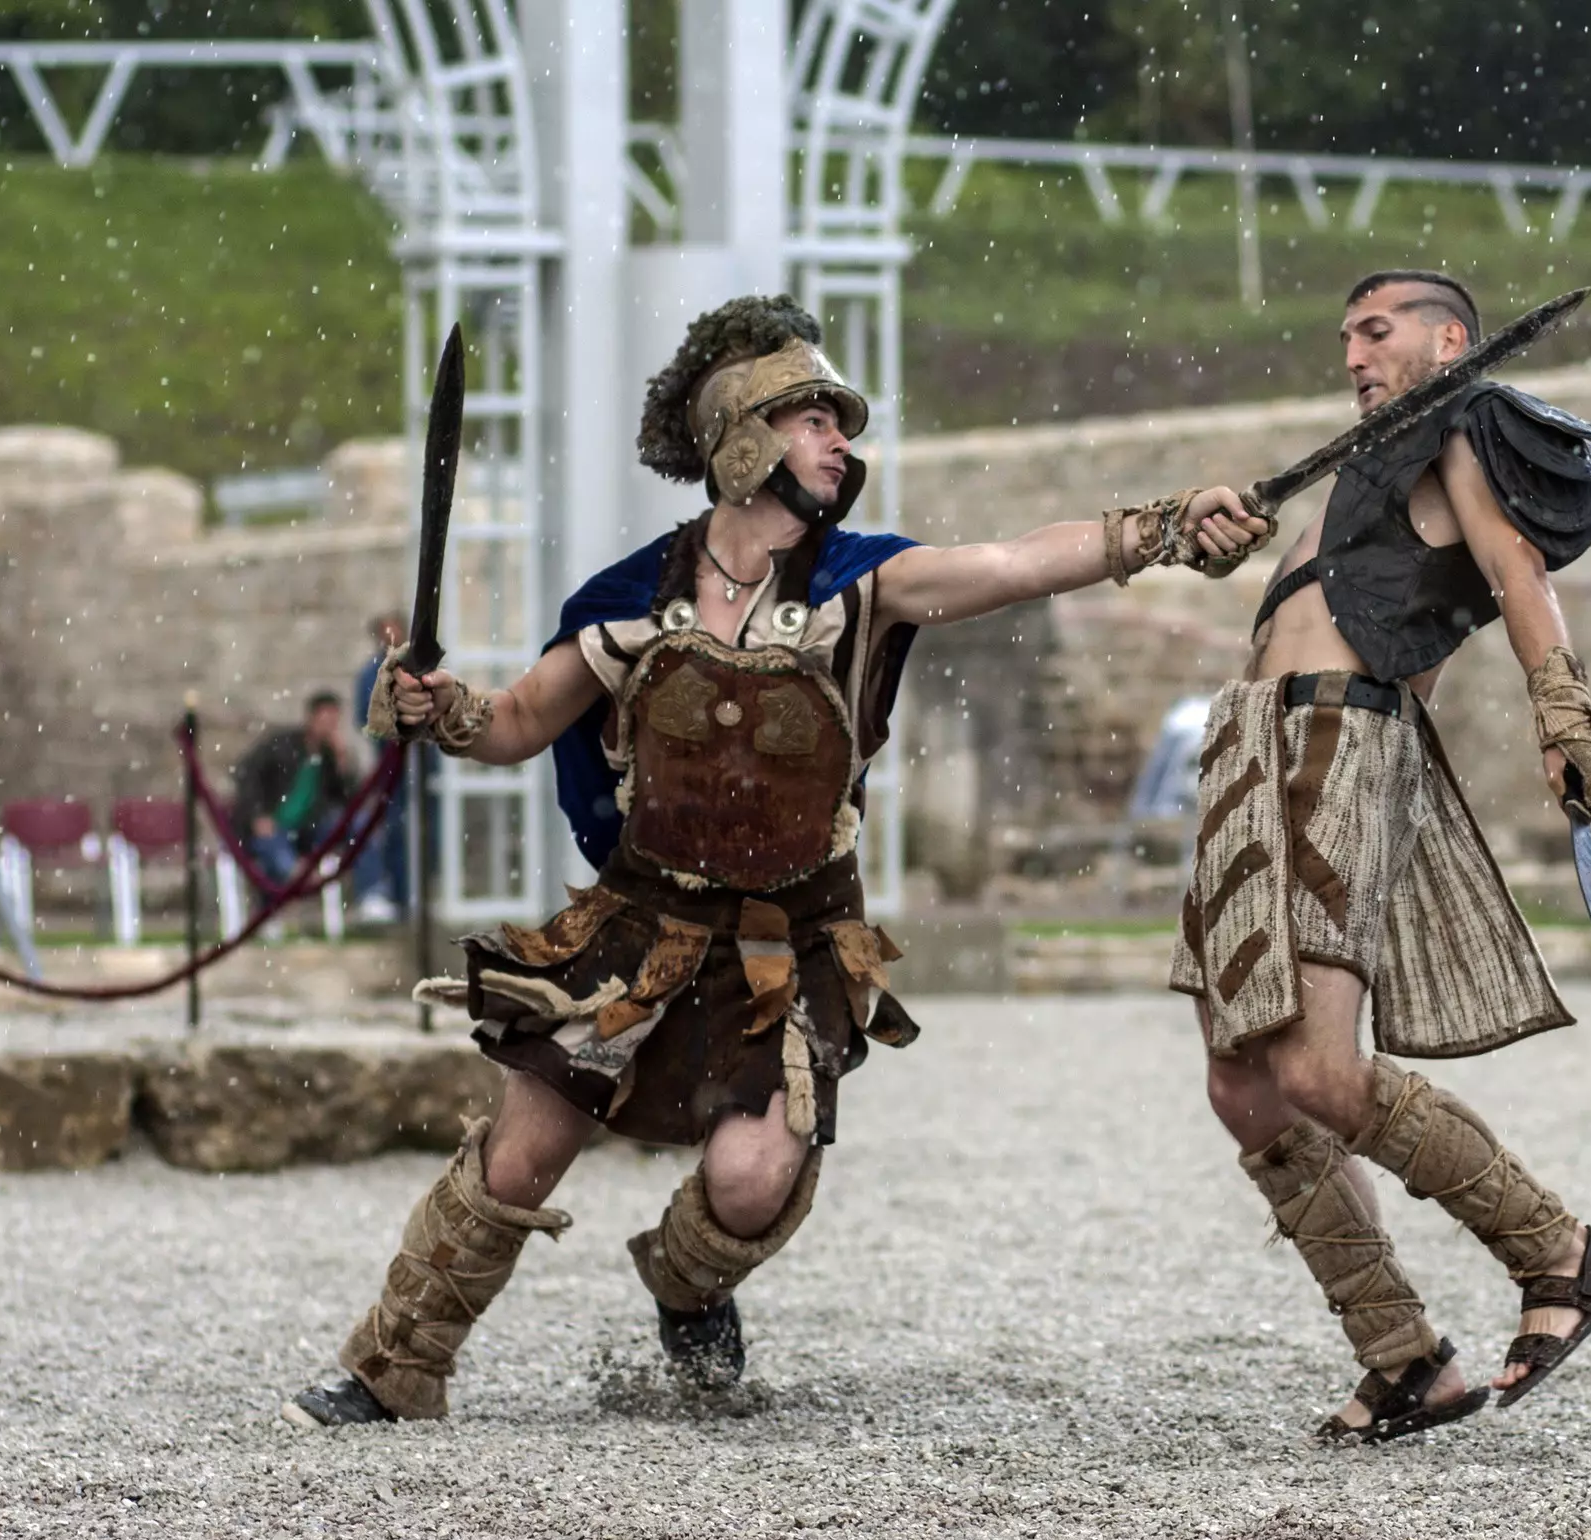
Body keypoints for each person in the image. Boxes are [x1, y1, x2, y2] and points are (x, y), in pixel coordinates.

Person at [283, 293, 1268, 1428]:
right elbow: (509, 726)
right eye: (813, 420)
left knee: (753, 1177)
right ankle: (393, 1362)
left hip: (784, 940)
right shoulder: (626, 605)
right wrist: (428, 704)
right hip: (640, 921)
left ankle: (685, 1286)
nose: (841, 442)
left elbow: (1015, 561)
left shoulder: (866, 581)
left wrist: (1158, 526)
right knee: (521, 1155)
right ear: (741, 442)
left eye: (837, 425)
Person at [1172, 270, 1591, 1445]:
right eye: (1343, 335)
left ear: (1449, 338)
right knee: (1244, 1084)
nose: (1353, 352)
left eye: (1376, 331)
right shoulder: (1354, 463)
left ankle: (1561, 1252)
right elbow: (1299, 588)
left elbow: (1513, 570)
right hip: (1246, 746)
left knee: (1322, 1073)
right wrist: (1213, 527)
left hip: (1339, 735)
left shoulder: (1465, 423)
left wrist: (1565, 716)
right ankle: (1402, 1358)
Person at [231, 691, 356, 890]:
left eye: (333, 723)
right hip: (273, 824)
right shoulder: (282, 745)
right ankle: (298, 878)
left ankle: (370, 892)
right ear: (311, 719)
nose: (328, 729)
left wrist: (342, 763)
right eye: (325, 721)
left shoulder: (330, 758)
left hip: (307, 828)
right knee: (273, 846)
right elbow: (246, 773)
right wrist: (257, 815)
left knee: (359, 824)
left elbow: (348, 798)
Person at [352, 613, 412, 923]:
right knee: (395, 828)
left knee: (420, 830)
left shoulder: (416, 666)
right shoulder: (371, 674)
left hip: (419, 763)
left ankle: (412, 893)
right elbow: (365, 717)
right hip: (392, 765)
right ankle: (398, 895)